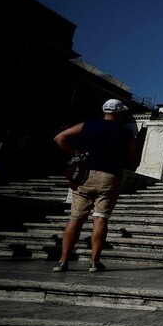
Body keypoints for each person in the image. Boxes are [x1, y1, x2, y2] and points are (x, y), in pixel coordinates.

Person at [52, 99, 137, 272]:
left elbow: (59, 138)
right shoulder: (126, 133)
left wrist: (74, 152)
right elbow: (133, 157)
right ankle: (94, 262)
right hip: (110, 176)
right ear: (120, 114)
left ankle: (63, 261)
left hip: (85, 175)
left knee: (75, 218)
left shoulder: (87, 126)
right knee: (100, 218)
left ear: (104, 111)